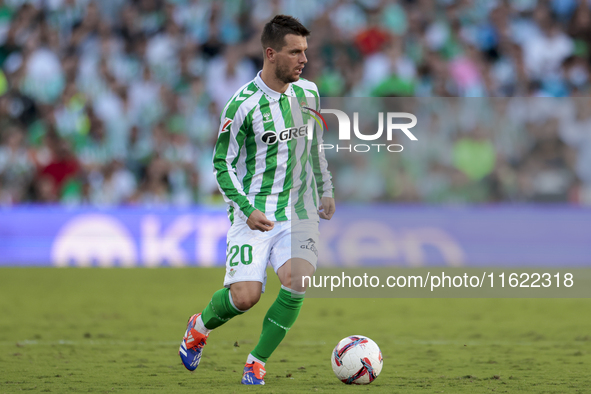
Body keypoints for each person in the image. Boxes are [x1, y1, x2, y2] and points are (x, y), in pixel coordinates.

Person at [178, 15, 335, 385]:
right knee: (246, 297)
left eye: (305, 51)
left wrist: (325, 187)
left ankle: (256, 361)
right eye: (295, 52)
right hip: (254, 214)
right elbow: (221, 164)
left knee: (298, 280)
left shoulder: (308, 93)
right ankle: (199, 326)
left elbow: (313, 146)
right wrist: (246, 210)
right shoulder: (241, 106)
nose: (303, 59)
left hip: (297, 210)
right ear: (270, 53)